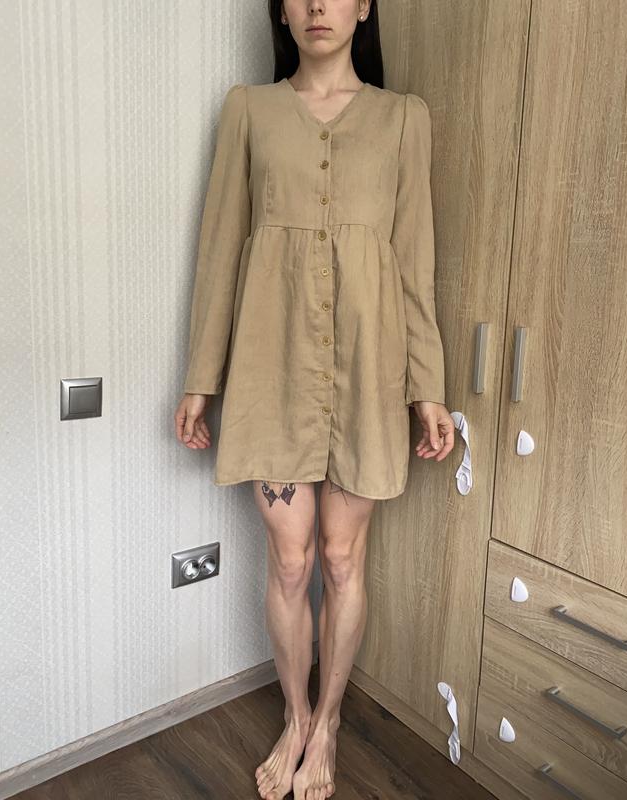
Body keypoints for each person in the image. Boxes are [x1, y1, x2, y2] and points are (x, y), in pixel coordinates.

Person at [174, 1, 455, 798]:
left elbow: (414, 262)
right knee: (292, 562)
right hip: (272, 370)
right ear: (281, 12)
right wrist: (201, 378)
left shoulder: (404, 119)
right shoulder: (249, 111)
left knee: (341, 558)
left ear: (365, 7)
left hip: (370, 373)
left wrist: (428, 388)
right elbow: (221, 249)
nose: (318, 6)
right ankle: (294, 717)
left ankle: (328, 723)